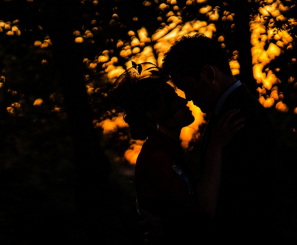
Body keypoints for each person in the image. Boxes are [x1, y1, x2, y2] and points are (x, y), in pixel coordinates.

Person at [162, 34, 277, 244]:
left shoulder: (240, 116)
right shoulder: (228, 112)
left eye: (188, 87)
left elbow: (243, 197)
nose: (188, 97)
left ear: (208, 73)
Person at [111, 68, 244, 244]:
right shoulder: (157, 156)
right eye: (170, 99)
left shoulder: (168, 150)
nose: (183, 100)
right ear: (152, 115)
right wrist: (216, 145)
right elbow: (201, 211)